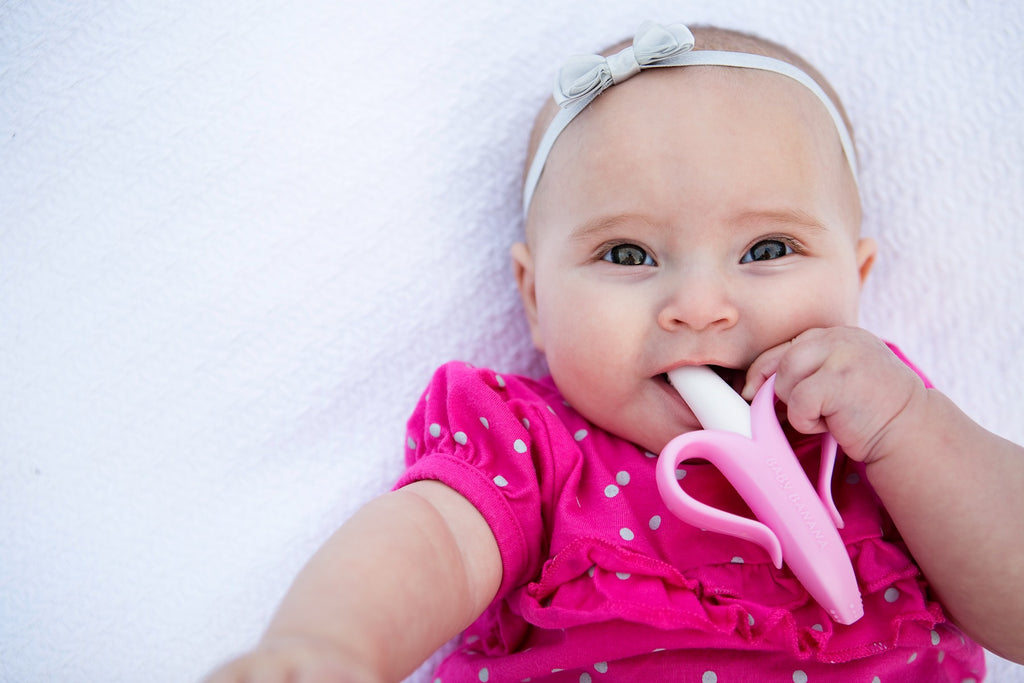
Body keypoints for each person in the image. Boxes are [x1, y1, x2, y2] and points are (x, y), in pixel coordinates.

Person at [205, 21, 1024, 682]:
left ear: (858, 276)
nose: (699, 306)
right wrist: (333, 645)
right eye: (628, 254)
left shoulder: (882, 432)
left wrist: (907, 426)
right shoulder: (532, 450)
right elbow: (432, 543)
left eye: (768, 249)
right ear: (534, 298)